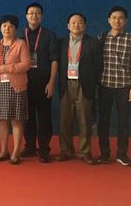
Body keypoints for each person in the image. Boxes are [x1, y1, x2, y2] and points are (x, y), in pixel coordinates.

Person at [97, 6, 131, 166]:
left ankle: (122, 154)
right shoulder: (101, 37)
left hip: (124, 86)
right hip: (105, 85)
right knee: (103, 121)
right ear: (109, 20)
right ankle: (104, 153)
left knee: (123, 122)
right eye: (114, 17)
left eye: (121, 18)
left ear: (126, 21)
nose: (117, 21)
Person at [56, 13, 101, 165]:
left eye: (80, 22)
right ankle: (65, 150)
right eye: (73, 22)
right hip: (66, 84)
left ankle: (85, 151)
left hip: (85, 85)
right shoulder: (61, 43)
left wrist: (93, 83)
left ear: (85, 26)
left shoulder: (92, 42)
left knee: (84, 120)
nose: (77, 25)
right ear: (68, 26)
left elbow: (98, 65)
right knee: (65, 120)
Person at [18, 2, 59, 163]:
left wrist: (51, 82)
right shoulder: (20, 35)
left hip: (43, 83)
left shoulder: (50, 35)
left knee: (44, 117)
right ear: (26, 16)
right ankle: (29, 147)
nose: (34, 15)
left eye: (37, 13)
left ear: (41, 16)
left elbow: (54, 60)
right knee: (27, 117)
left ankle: (43, 149)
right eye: (31, 13)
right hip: (24, 82)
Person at [0, 14, 31, 165]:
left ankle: (15, 152)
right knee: (2, 120)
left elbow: (26, 64)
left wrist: (6, 68)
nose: (7, 29)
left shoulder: (21, 44)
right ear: (0, 28)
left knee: (16, 120)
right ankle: (3, 150)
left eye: (11, 26)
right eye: (4, 25)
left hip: (16, 87)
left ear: (16, 29)